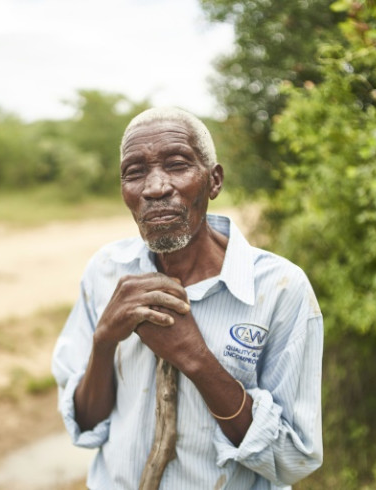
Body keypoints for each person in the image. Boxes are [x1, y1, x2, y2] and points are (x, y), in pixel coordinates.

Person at [51, 107, 323, 489]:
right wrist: (105, 339)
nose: (155, 187)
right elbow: (87, 422)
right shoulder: (106, 270)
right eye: (135, 172)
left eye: (177, 165)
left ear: (214, 181)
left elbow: (293, 459)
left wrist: (196, 359)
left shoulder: (279, 289)